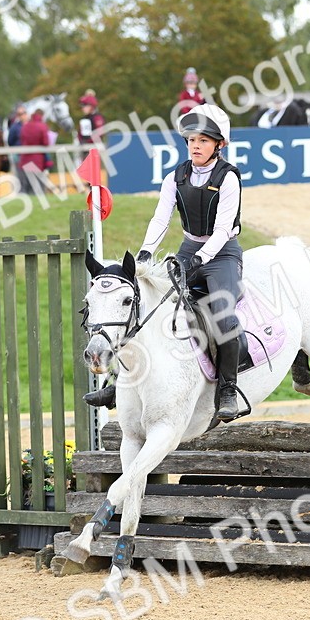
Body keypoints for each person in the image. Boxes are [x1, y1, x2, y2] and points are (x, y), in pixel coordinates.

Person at [85, 104, 247, 422]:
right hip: (188, 249)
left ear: (219, 145)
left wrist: (202, 257)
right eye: (191, 140)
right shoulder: (177, 176)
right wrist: (146, 251)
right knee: (150, 308)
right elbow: (162, 217)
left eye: (203, 140)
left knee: (223, 315)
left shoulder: (228, 178)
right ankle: (117, 382)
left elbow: (224, 228)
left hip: (223, 253)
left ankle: (228, 389)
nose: (196, 146)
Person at [18, 109, 51, 193]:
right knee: (38, 186)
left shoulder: (25, 126)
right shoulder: (42, 126)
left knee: (26, 186)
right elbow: (46, 142)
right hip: (37, 160)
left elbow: (21, 140)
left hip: (25, 159)